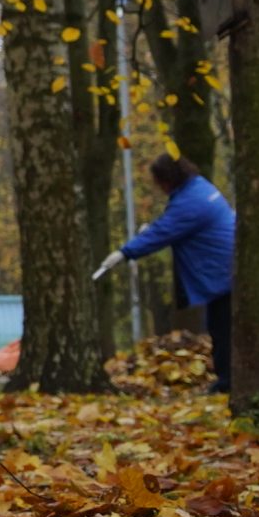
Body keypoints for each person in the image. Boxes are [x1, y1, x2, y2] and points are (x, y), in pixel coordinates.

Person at [100, 155, 236, 393]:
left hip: (221, 273)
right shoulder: (199, 187)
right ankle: (227, 378)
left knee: (222, 329)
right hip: (226, 269)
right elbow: (170, 225)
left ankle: (227, 382)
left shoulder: (190, 201)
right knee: (221, 326)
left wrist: (125, 252)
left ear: (167, 179)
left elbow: (164, 231)